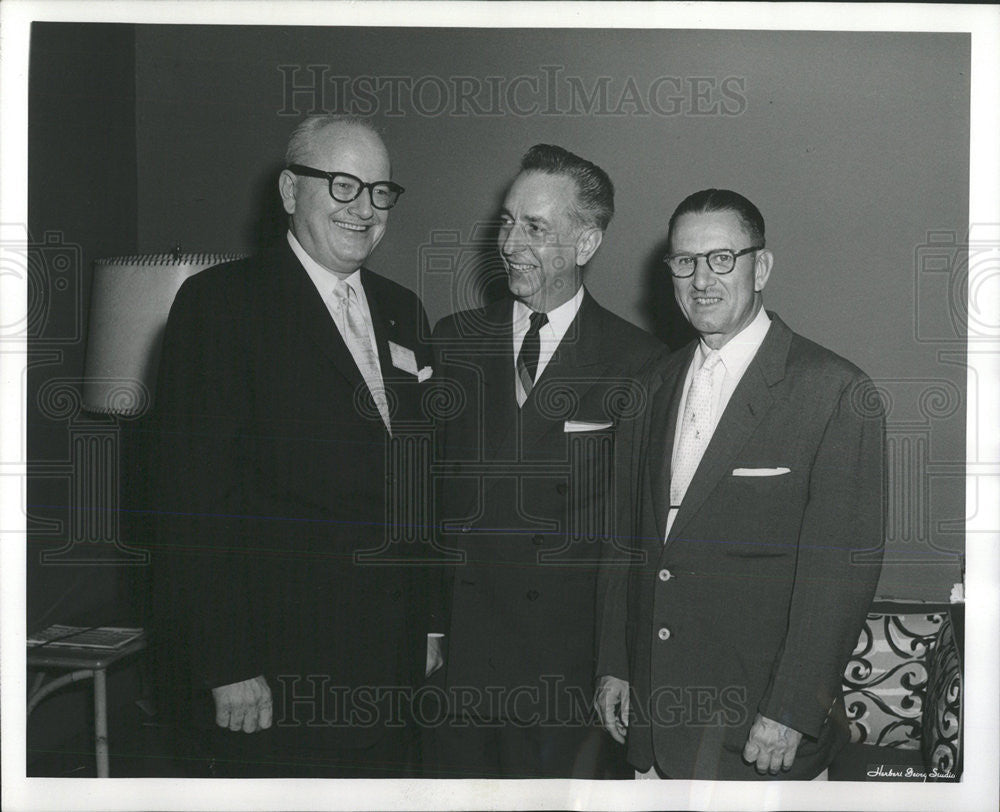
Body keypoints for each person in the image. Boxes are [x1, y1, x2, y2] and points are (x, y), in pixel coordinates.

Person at [149, 115, 438, 777]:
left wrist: (428, 623)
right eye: (343, 186)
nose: (365, 208)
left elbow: (415, 477)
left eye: (380, 191)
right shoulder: (220, 304)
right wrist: (227, 664)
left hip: (390, 668)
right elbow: (189, 502)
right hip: (275, 673)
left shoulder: (403, 309)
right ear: (288, 191)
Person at [594, 188, 885, 780]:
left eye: (722, 258)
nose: (702, 279)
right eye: (685, 261)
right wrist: (616, 664)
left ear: (762, 267)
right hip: (651, 726)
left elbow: (840, 571)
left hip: (757, 731)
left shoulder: (833, 392)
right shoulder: (650, 386)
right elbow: (627, 540)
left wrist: (792, 710)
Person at [429, 144, 665, 778]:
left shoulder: (639, 362)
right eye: (507, 222)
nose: (509, 243)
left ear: (585, 243)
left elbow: (634, 538)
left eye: (534, 227)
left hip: (566, 673)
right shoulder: (451, 342)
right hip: (461, 666)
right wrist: (427, 633)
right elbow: (421, 506)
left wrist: (617, 663)